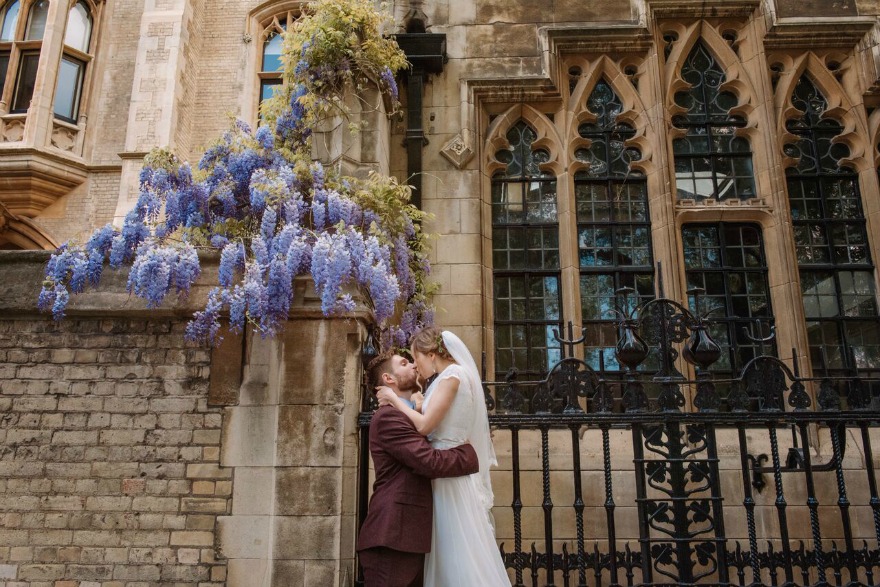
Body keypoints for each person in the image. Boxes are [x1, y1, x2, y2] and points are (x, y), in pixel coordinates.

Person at [377, 327, 511, 586]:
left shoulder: (453, 375)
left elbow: (426, 426)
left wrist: (394, 400)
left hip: (447, 475)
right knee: (448, 551)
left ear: (431, 354)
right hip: (441, 474)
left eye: (416, 359)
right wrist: (415, 402)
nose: (416, 366)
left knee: (457, 554)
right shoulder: (445, 379)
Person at [357, 351, 480, 587]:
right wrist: (470, 454)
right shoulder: (388, 417)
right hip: (392, 536)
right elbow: (428, 461)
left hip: (410, 536)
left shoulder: (411, 414)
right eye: (403, 363)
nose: (414, 364)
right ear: (388, 378)